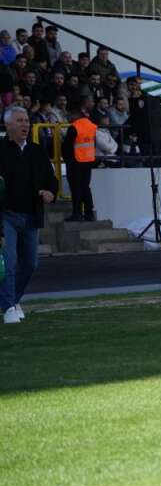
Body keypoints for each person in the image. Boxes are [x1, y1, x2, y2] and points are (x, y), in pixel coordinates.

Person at [1, 106, 57, 324]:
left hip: (31, 215)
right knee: (10, 262)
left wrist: (50, 191)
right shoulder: (1, 150)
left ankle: (12, 300)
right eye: (20, 121)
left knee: (31, 264)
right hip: (7, 214)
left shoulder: (36, 150)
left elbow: (50, 178)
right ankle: (8, 308)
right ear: (8, 125)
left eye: (26, 120)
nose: (25, 124)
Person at [61, 99, 98, 222]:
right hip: (88, 160)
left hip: (75, 161)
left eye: (70, 114)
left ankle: (77, 214)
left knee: (76, 188)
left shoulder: (74, 127)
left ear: (75, 113)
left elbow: (66, 146)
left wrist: (66, 159)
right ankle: (89, 213)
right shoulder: (91, 125)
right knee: (85, 187)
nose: (68, 117)